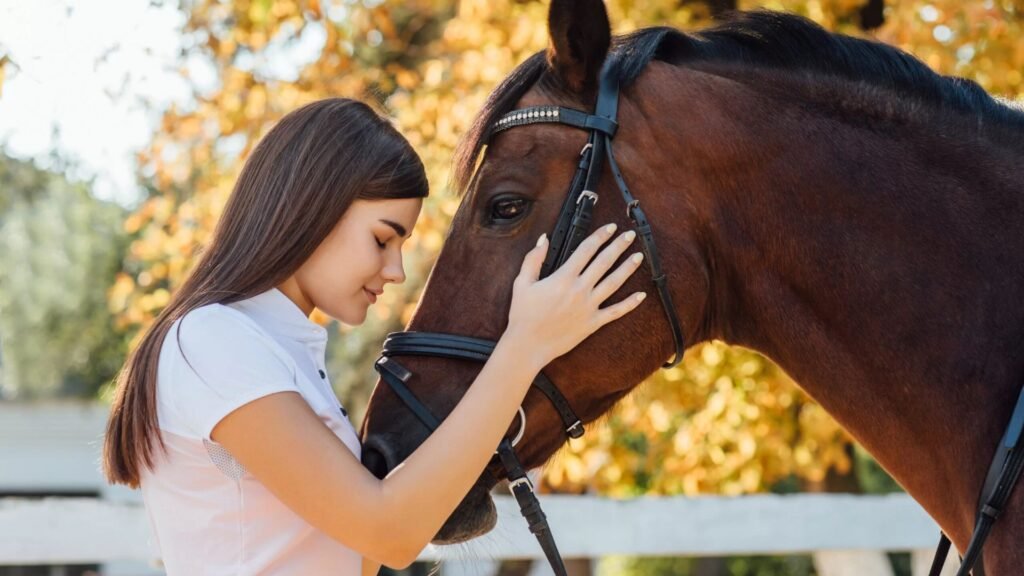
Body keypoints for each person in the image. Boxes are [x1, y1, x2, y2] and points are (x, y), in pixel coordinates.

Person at [102, 97, 647, 575]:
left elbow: (358, 555)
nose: (396, 271)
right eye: (383, 240)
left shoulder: (283, 355)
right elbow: (388, 534)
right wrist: (523, 348)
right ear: (313, 209)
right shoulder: (215, 342)